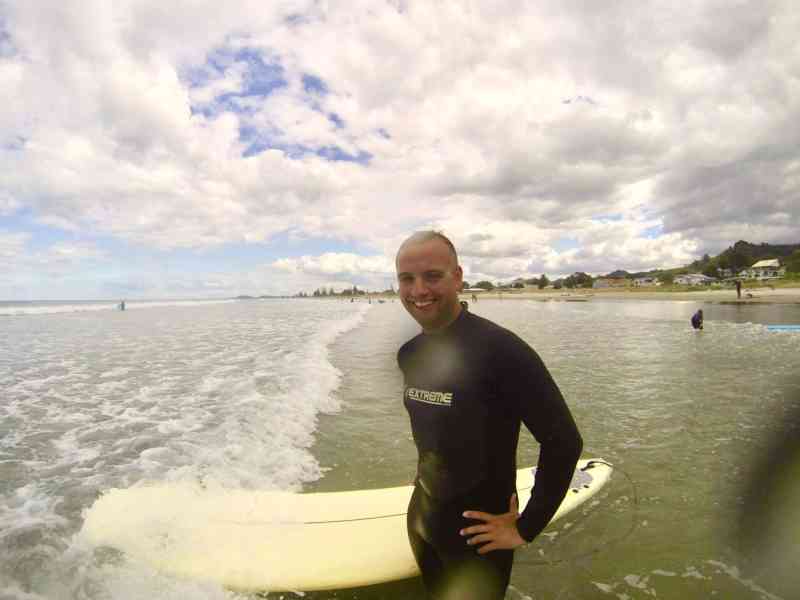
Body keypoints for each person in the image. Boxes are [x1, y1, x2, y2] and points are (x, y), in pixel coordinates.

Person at [395, 231, 583, 599]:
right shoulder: (409, 354)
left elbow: (563, 442)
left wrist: (526, 527)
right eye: (406, 279)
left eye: (432, 276)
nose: (418, 290)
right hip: (421, 517)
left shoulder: (500, 351)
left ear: (458, 277)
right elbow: (435, 431)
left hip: (479, 538)